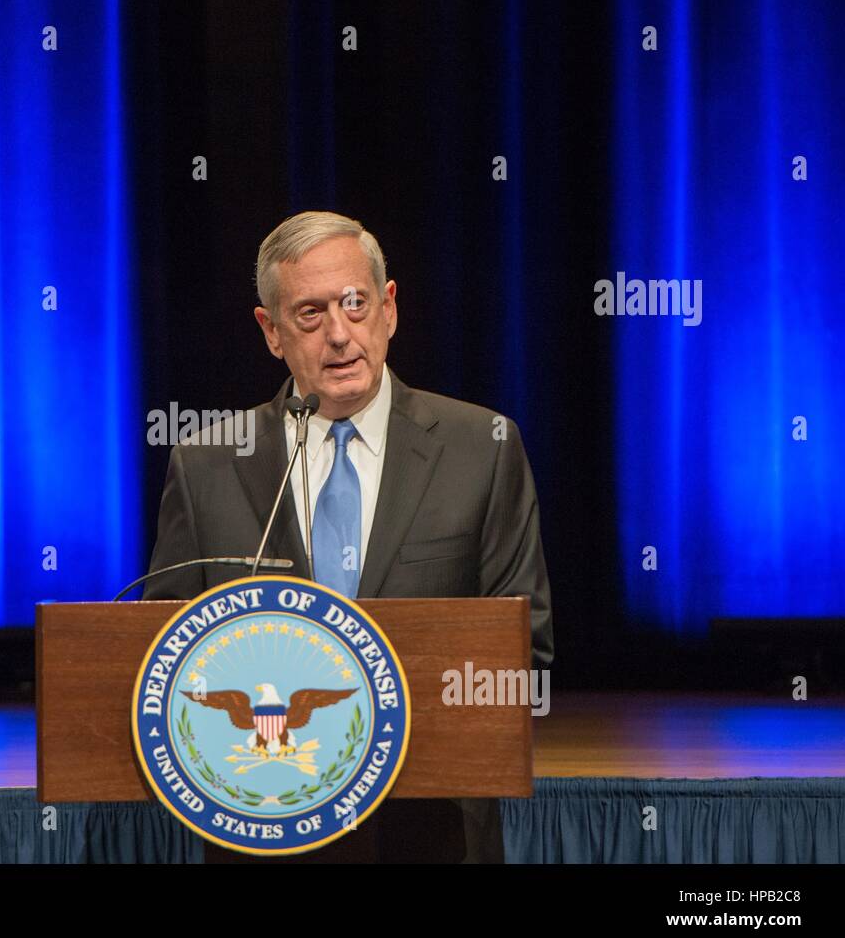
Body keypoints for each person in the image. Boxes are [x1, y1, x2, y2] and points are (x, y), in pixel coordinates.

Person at [143, 210, 553, 862]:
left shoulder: (484, 448)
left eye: (355, 304)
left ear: (389, 309)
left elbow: (523, 650)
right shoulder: (210, 461)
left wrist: (380, 730)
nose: (339, 334)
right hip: (264, 830)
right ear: (271, 331)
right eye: (309, 314)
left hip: (432, 834)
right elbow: (162, 654)